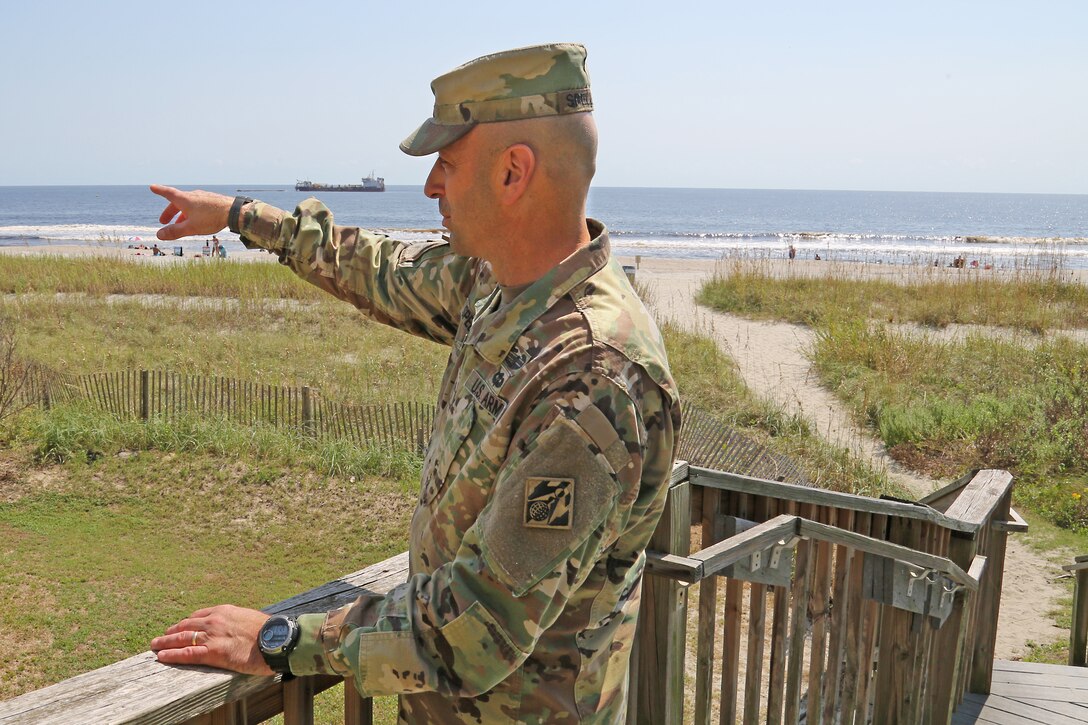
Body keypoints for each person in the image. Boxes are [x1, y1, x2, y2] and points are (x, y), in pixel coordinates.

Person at [147, 43, 680, 723]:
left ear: (514, 172)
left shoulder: (594, 377)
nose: (431, 185)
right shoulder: (499, 285)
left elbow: (472, 630)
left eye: (448, 164)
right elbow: (376, 269)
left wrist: (278, 638)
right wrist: (240, 215)